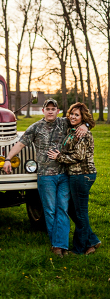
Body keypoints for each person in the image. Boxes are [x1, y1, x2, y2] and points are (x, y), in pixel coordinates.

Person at [3, 98, 87, 258]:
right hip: (45, 177)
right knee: (50, 210)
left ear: (57, 111)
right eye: (47, 108)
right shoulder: (35, 127)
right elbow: (20, 144)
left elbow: (81, 121)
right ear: (43, 111)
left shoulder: (64, 123)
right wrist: (8, 159)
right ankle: (57, 245)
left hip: (63, 175)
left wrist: (85, 125)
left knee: (62, 209)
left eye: (53, 108)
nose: (50, 111)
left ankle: (60, 246)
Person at [49, 101, 101, 255]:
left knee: (80, 213)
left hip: (82, 175)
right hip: (76, 175)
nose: (73, 116)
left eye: (77, 115)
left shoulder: (83, 132)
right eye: (71, 113)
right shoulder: (73, 129)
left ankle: (80, 249)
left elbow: (79, 156)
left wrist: (59, 157)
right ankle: (92, 241)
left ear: (82, 117)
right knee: (73, 209)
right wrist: (85, 124)